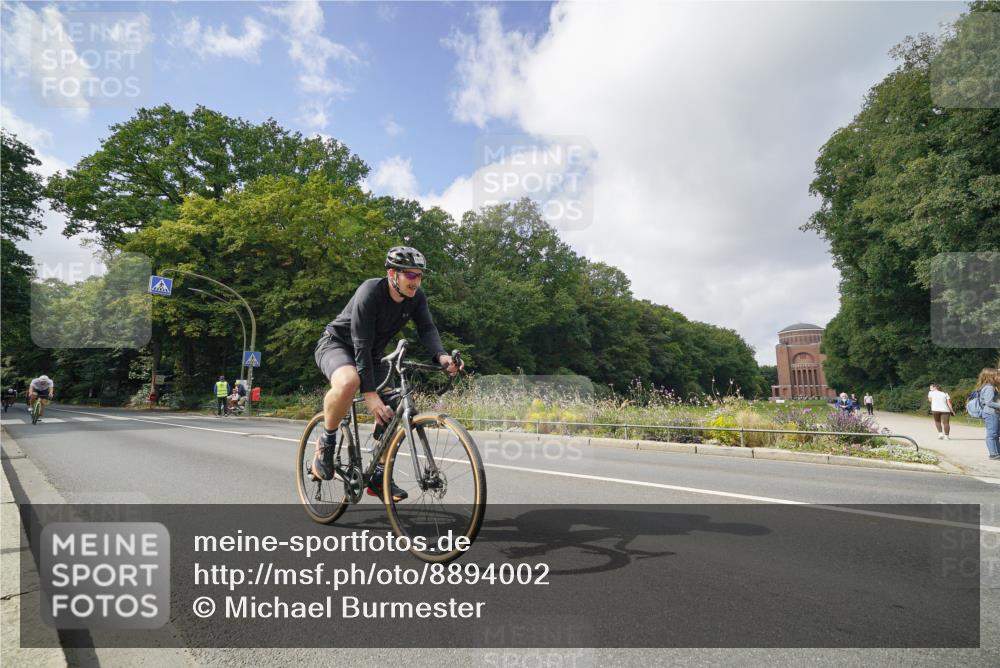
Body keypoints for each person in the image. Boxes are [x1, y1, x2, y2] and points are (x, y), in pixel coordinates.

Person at [312, 246, 462, 502]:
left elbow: (427, 328)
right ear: (393, 274)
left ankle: (379, 475)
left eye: (420, 275)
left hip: (372, 353)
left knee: (394, 409)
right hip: (337, 345)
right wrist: (370, 395)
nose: (417, 281)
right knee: (350, 381)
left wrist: (441, 356)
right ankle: (325, 443)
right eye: (411, 275)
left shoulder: (416, 298)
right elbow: (360, 343)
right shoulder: (370, 292)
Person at [973, 368, 1000, 460]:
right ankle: (993, 454)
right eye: (998, 375)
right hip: (991, 413)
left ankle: (996, 452)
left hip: (992, 413)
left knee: (995, 434)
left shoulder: (989, 386)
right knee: (992, 434)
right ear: (991, 377)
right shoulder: (989, 387)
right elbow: (989, 402)